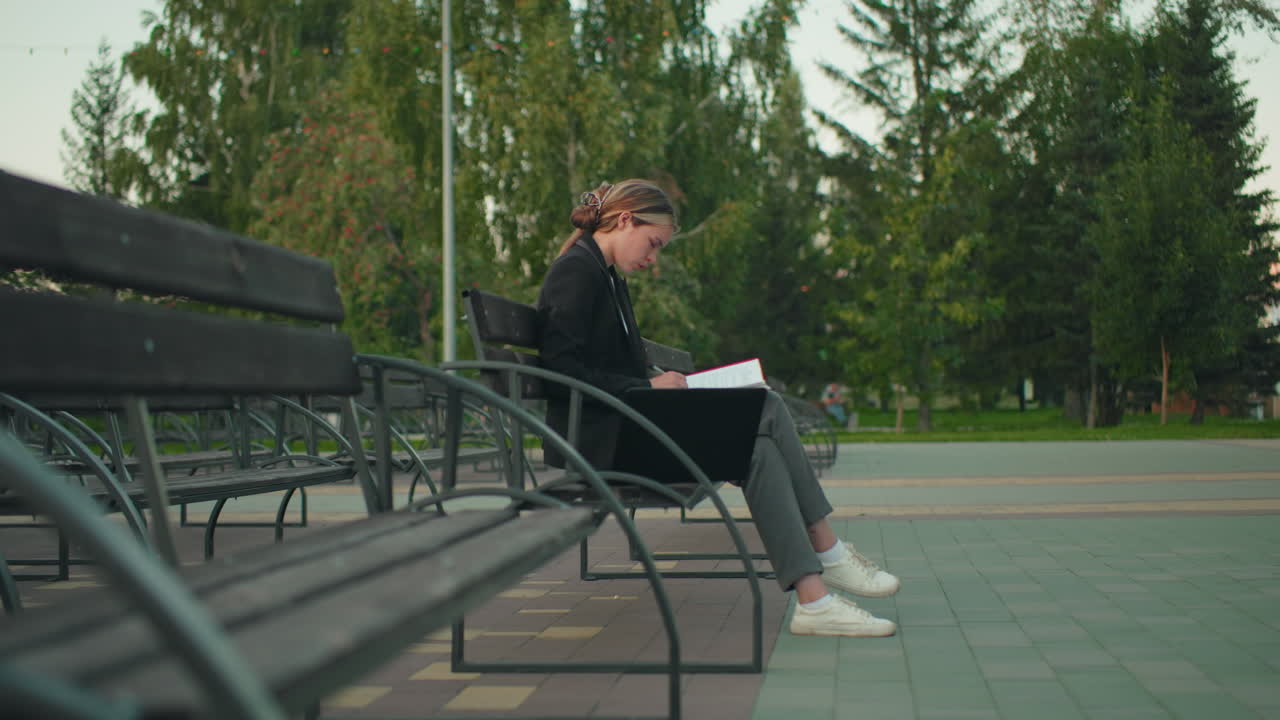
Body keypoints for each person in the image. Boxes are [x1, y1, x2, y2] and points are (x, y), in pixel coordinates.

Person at [536, 179, 901, 637]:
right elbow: (561, 372)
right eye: (653, 244)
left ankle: (815, 601)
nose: (652, 260)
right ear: (625, 219)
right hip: (601, 444)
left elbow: (601, 365)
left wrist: (652, 384)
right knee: (763, 406)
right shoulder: (577, 272)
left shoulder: (604, 276)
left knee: (757, 450)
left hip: (624, 427)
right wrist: (646, 385)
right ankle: (827, 550)